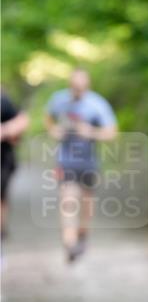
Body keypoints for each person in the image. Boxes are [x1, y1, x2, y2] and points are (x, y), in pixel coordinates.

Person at [45, 69, 118, 262]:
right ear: (69, 85)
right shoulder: (59, 100)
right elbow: (48, 119)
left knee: (86, 202)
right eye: (74, 87)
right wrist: (54, 131)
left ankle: (82, 235)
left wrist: (90, 132)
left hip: (88, 162)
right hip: (65, 161)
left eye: (81, 87)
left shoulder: (97, 104)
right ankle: (69, 243)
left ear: (87, 85)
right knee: (67, 200)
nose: (77, 90)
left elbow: (112, 133)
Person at [1, 89, 29, 239]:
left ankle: (2, 229)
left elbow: (22, 120)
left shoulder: (3, 101)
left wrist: (5, 130)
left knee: (2, 194)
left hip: (3, 159)